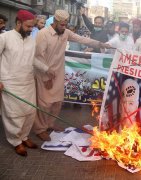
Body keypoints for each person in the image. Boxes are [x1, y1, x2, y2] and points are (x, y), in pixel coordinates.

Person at [33, 9, 111, 141]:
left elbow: (82, 40)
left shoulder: (65, 32)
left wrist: (99, 44)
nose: (64, 27)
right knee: (44, 103)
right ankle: (40, 129)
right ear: (55, 22)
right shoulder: (43, 34)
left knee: (57, 101)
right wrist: (46, 73)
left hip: (58, 73)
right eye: (62, 25)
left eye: (66, 24)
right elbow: (36, 58)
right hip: (44, 73)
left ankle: (50, 124)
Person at [0, 10, 54, 156]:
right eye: (29, 27)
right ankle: (15, 142)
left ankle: (24, 137)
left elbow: (33, 59)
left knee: (29, 112)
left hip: (28, 82)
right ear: (18, 23)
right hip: (10, 83)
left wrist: (46, 69)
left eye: (33, 27)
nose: (32, 30)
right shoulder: (4, 38)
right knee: (14, 114)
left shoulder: (30, 40)